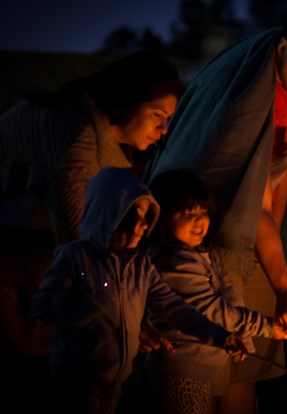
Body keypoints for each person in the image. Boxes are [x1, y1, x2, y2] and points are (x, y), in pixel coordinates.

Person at [142, 6, 287, 412]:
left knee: (246, 374)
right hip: (206, 254)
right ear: (284, 47)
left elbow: (274, 192)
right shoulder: (245, 99)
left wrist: (272, 266)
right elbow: (249, 201)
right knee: (205, 376)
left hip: (253, 247)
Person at [0, 50, 184, 410]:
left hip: (37, 258)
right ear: (127, 100)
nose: (164, 131)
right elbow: (81, 234)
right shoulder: (72, 132)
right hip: (11, 259)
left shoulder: (113, 149)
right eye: (158, 116)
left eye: (169, 120)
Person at [30, 166, 249, 414]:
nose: (146, 225)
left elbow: (175, 308)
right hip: (78, 381)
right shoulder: (75, 258)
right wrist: (90, 309)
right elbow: (44, 306)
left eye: (148, 217)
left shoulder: (139, 267)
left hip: (114, 384)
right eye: (139, 216)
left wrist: (221, 336)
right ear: (113, 214)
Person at [134, 168, 287, 414]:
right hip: (181, 366)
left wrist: (243, 339)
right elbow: (212, 309)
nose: (199, 221)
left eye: (203, 212)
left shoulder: (205, 253)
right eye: (188, 213)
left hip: (199, 365)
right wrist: (267, 327)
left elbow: (228, 294)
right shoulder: (174, 263)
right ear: (162, 217)